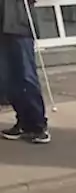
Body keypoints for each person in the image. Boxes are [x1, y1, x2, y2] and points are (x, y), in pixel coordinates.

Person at [0, 0, 49, 144]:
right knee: (6, 78)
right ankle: (23, 121)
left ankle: (38, 124)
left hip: (19, 26)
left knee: (26, 77)